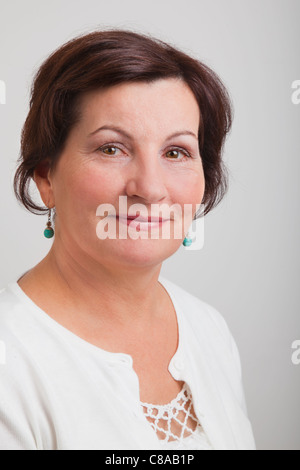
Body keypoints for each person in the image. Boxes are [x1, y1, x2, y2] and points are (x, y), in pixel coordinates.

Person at [0, 29, 256, 450]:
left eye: (176, 152)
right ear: (46, 176)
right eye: (112, 148)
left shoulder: (208, 328)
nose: (150, 188)